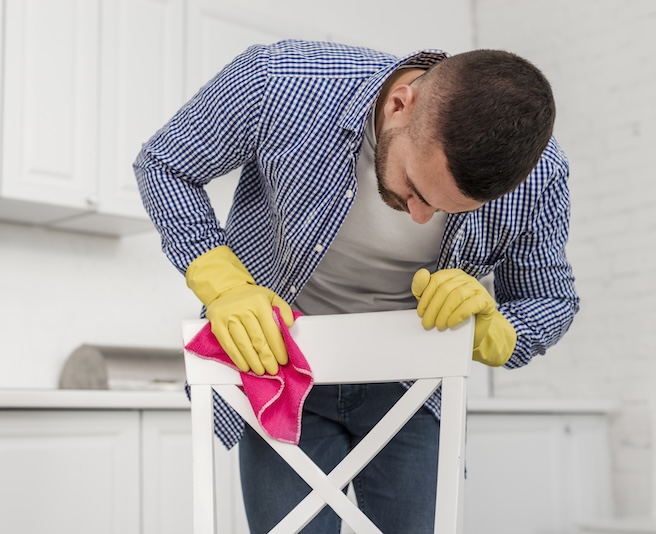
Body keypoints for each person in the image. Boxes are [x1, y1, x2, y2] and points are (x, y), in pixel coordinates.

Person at [134, 39, 578, 533]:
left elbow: (549, 299)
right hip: (286, 375)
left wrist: (494, 331)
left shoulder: (542, 177)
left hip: (413, 387)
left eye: (447, 210)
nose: (418, 216)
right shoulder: (280, 81)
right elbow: (165, 164)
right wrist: (225, 285)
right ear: (399, 105)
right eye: (415, 186)